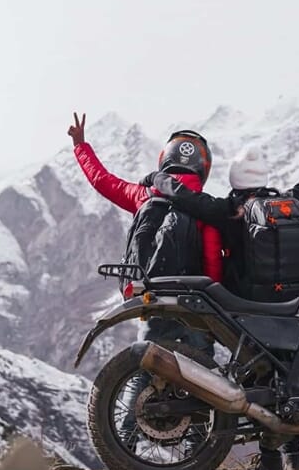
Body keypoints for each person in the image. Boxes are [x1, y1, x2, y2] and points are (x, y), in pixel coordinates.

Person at [147, 121, 299, 470]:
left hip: (250, 308)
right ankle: (295, 461)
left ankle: (269, 465)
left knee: (259, 383)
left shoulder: (228, 212)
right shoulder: (289, 201)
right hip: (298, 303)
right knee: (293, 376)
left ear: (234, 181)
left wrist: (155, 179)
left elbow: (181, 196)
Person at [67, 112, 222, 353]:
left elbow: (103, 181)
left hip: (153, 296)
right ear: (203, 168)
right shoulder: (205, 205)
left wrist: (80, 146)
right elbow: (212, 259)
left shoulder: (144, 195)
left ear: (165, 159)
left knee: (146, 362)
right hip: (194, 302)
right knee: (205, 370)